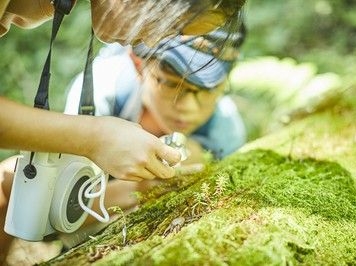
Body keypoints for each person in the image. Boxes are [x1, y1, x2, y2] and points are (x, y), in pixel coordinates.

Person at [0, 0, 246, 263]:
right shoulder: (104, 88)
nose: (151, 43)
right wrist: (96, 140)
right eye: (168, 25)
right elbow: (52, 198)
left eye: (206, 90)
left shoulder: (223, 128)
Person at [61, 24, 247, 229]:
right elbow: (55, 206)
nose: (187, 106)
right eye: (170, 83)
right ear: (138, 65)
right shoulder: (99, 94)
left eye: (209, 89)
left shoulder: (224, 127)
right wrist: (138, 188)